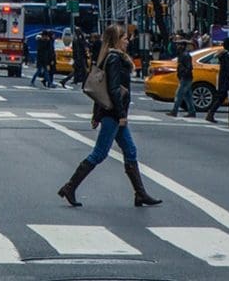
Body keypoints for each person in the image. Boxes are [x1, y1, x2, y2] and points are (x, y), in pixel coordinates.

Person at [55, 24, 160, 209]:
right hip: (113, 114)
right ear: (116, 40)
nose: (127, 41)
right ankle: (70, 187)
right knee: (100, 153)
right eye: (124, 38)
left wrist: (97, 114)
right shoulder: (115, 59)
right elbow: (112, 89)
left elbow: (101, 89)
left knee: (131, 151)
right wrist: (120, 115)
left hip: (111, 113)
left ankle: (140, 194)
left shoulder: (109, 58)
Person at [204, 37, 229, 123]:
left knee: (222, 97)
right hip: (228, 78)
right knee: (226, 97)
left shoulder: (223, 55)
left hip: (223, 78)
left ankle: (211, 113)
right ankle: (211, 113)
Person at [169, 44, 195, 118]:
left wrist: (183, 74)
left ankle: (174, 111)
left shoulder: (185, 56)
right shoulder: (183, 55)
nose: (177, 47)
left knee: (179, 94)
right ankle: (192, 111)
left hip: (185, 78)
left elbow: (189, 67)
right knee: (188, 96)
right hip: (186, 77)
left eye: (179, 45)